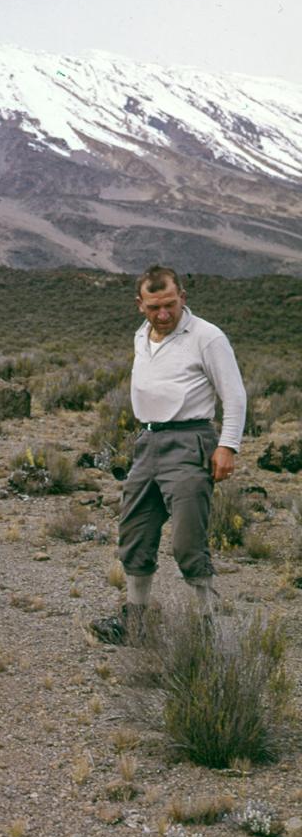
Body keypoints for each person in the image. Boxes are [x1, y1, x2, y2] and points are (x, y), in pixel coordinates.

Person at [91, 265, 247, 645]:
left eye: (170, 305)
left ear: (183, 299)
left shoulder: (207, 337)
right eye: (154, 307)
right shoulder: (141, 336)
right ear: (140, 304)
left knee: (187, 541)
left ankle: (208, 624)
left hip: (189, 442)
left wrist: (227, 446)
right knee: (135, 533)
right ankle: (136, 623)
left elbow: (235, 394)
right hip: (147, 443)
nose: (163, 314)